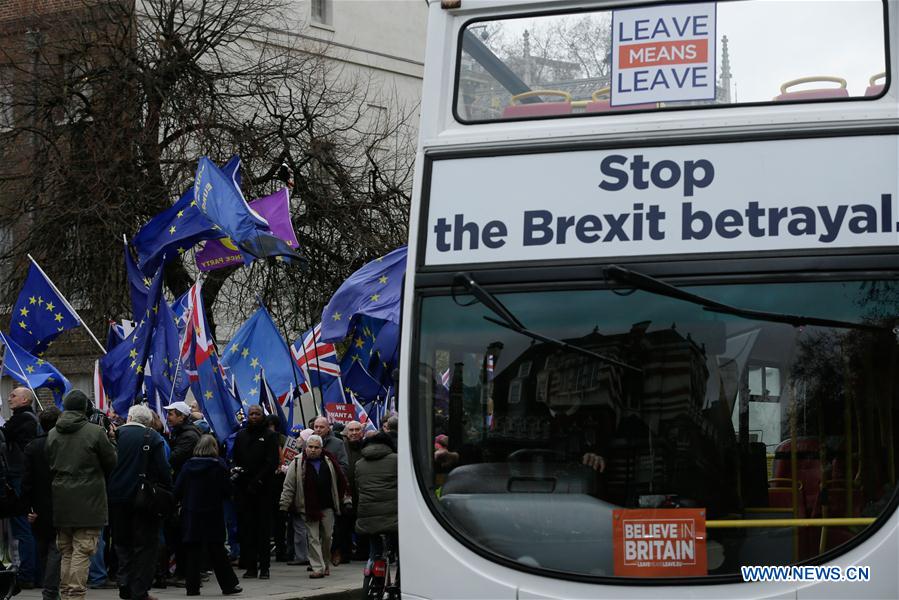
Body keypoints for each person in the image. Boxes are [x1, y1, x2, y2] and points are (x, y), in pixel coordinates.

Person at [45, 390, 117, 600]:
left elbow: (49, 461)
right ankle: (75, 595)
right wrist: (112, 441)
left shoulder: (53, 433)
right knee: (82, 550)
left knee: (66, 550)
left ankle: (67, 593)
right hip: (89, 498)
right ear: (85, 408)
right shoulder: (95, 432)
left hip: (62, 497)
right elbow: (111, 462)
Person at [107, 404, 172, 600]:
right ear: (149, 421)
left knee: (122, 543)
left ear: (129, 417)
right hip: (143, 499)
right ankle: (139, 590)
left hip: (116, 497)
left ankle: (124, 583)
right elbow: (163, 469)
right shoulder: (153, 437)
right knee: (145, 546)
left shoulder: (115, 435)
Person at [174, 435, 241, 597]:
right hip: (212, 513)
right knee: (217, 550)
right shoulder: (218, 465)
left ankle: (192, 587)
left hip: (191, 512)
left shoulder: (188, 466)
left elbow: (177, 489)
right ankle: (228, 585)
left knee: (193, 551)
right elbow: (227, 490)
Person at [279, 434, 349, 579]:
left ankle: (325, 563)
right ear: (305, 447)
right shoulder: (297, 462)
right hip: (308, 507)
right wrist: (284, 504)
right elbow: (289, 485)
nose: (312, 450)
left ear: (321, 448)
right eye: (310, 447)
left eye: (316, 447)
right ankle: (318, 567)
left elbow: (340, 481)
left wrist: (344, 499)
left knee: (327, 536)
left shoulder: (329, 461)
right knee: (313, 538)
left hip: (327, 505)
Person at [231, 405, 279, 579]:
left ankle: (264, 568)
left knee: (263, 530)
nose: (254, 417)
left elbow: (272, 461)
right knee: (247, 529)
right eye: (251, 414)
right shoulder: (241, 435)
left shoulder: (270, 436)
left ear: (262, 416)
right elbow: (236, 458)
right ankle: (250, 567)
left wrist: (258, 480)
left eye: (257, 414)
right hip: (244, 489)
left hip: (263, 489)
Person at [22, 406, 61, 600]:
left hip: (38, 505)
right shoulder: (62, 444)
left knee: (44, 547)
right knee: (56, 548)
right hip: (60, 501)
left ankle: (48, 584)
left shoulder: (32, 447)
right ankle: (51, 590)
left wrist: (28, 507)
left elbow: (26, 481)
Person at [4, 387, 40, 588]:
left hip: (19, 477)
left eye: (13, 396)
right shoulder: (30, 419)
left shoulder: (22, 420)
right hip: (25, 477)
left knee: (22, 525)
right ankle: (34, 572)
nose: (9, 398)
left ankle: (27, 574)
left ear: (25, 400)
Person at [354, 432, 398, 576]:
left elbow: (358, 487)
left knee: (374, 548)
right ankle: (399, 577)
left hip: (367, 512)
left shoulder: (359, 464)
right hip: (393, 513)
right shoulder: (396, 460)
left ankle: (372, 565)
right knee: (398, 547)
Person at [334, 420, 365, 564]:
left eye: (357, 430)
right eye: (351, 430)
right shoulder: (341, 447)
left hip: (362, 493)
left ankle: (362, 552)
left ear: (362, 432)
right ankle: (344, 553)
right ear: (346, 433)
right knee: (344, 525)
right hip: (345, 493)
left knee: (361, 525)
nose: (354, 433)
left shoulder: (366, 447)